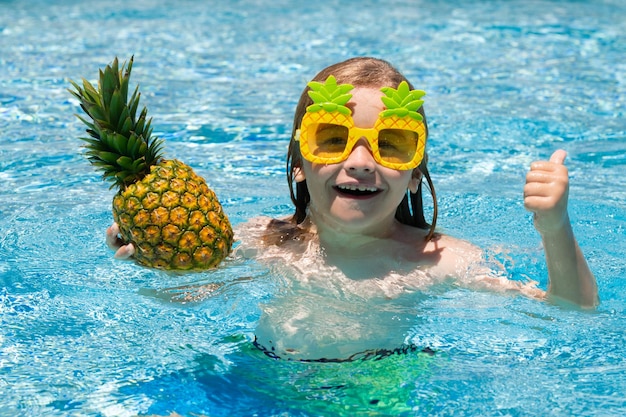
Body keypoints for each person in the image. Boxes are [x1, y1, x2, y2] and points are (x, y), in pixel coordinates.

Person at [106, 57, 598, 361]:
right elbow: (188, 298)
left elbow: (570, 313)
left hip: (373, 389)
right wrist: (152, 255)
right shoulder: (263, 240)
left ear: (414, 171)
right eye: (333, 140)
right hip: (254, 373)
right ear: (300, 163)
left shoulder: (441, 260)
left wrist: (555, 227)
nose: (360, 162)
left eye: (392, 145)